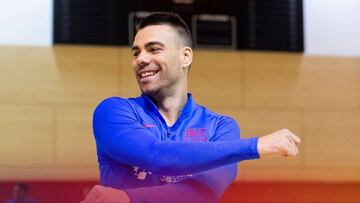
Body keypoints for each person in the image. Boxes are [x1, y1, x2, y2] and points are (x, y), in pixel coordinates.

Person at [81, 12, 301, 203]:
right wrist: (255, 147)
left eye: (153, 49)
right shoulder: (113, 111)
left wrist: (127, 198)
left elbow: (203, 195)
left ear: (185, 56)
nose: (140, 59)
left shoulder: (220, 127)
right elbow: (156, 156)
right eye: (136, 52)